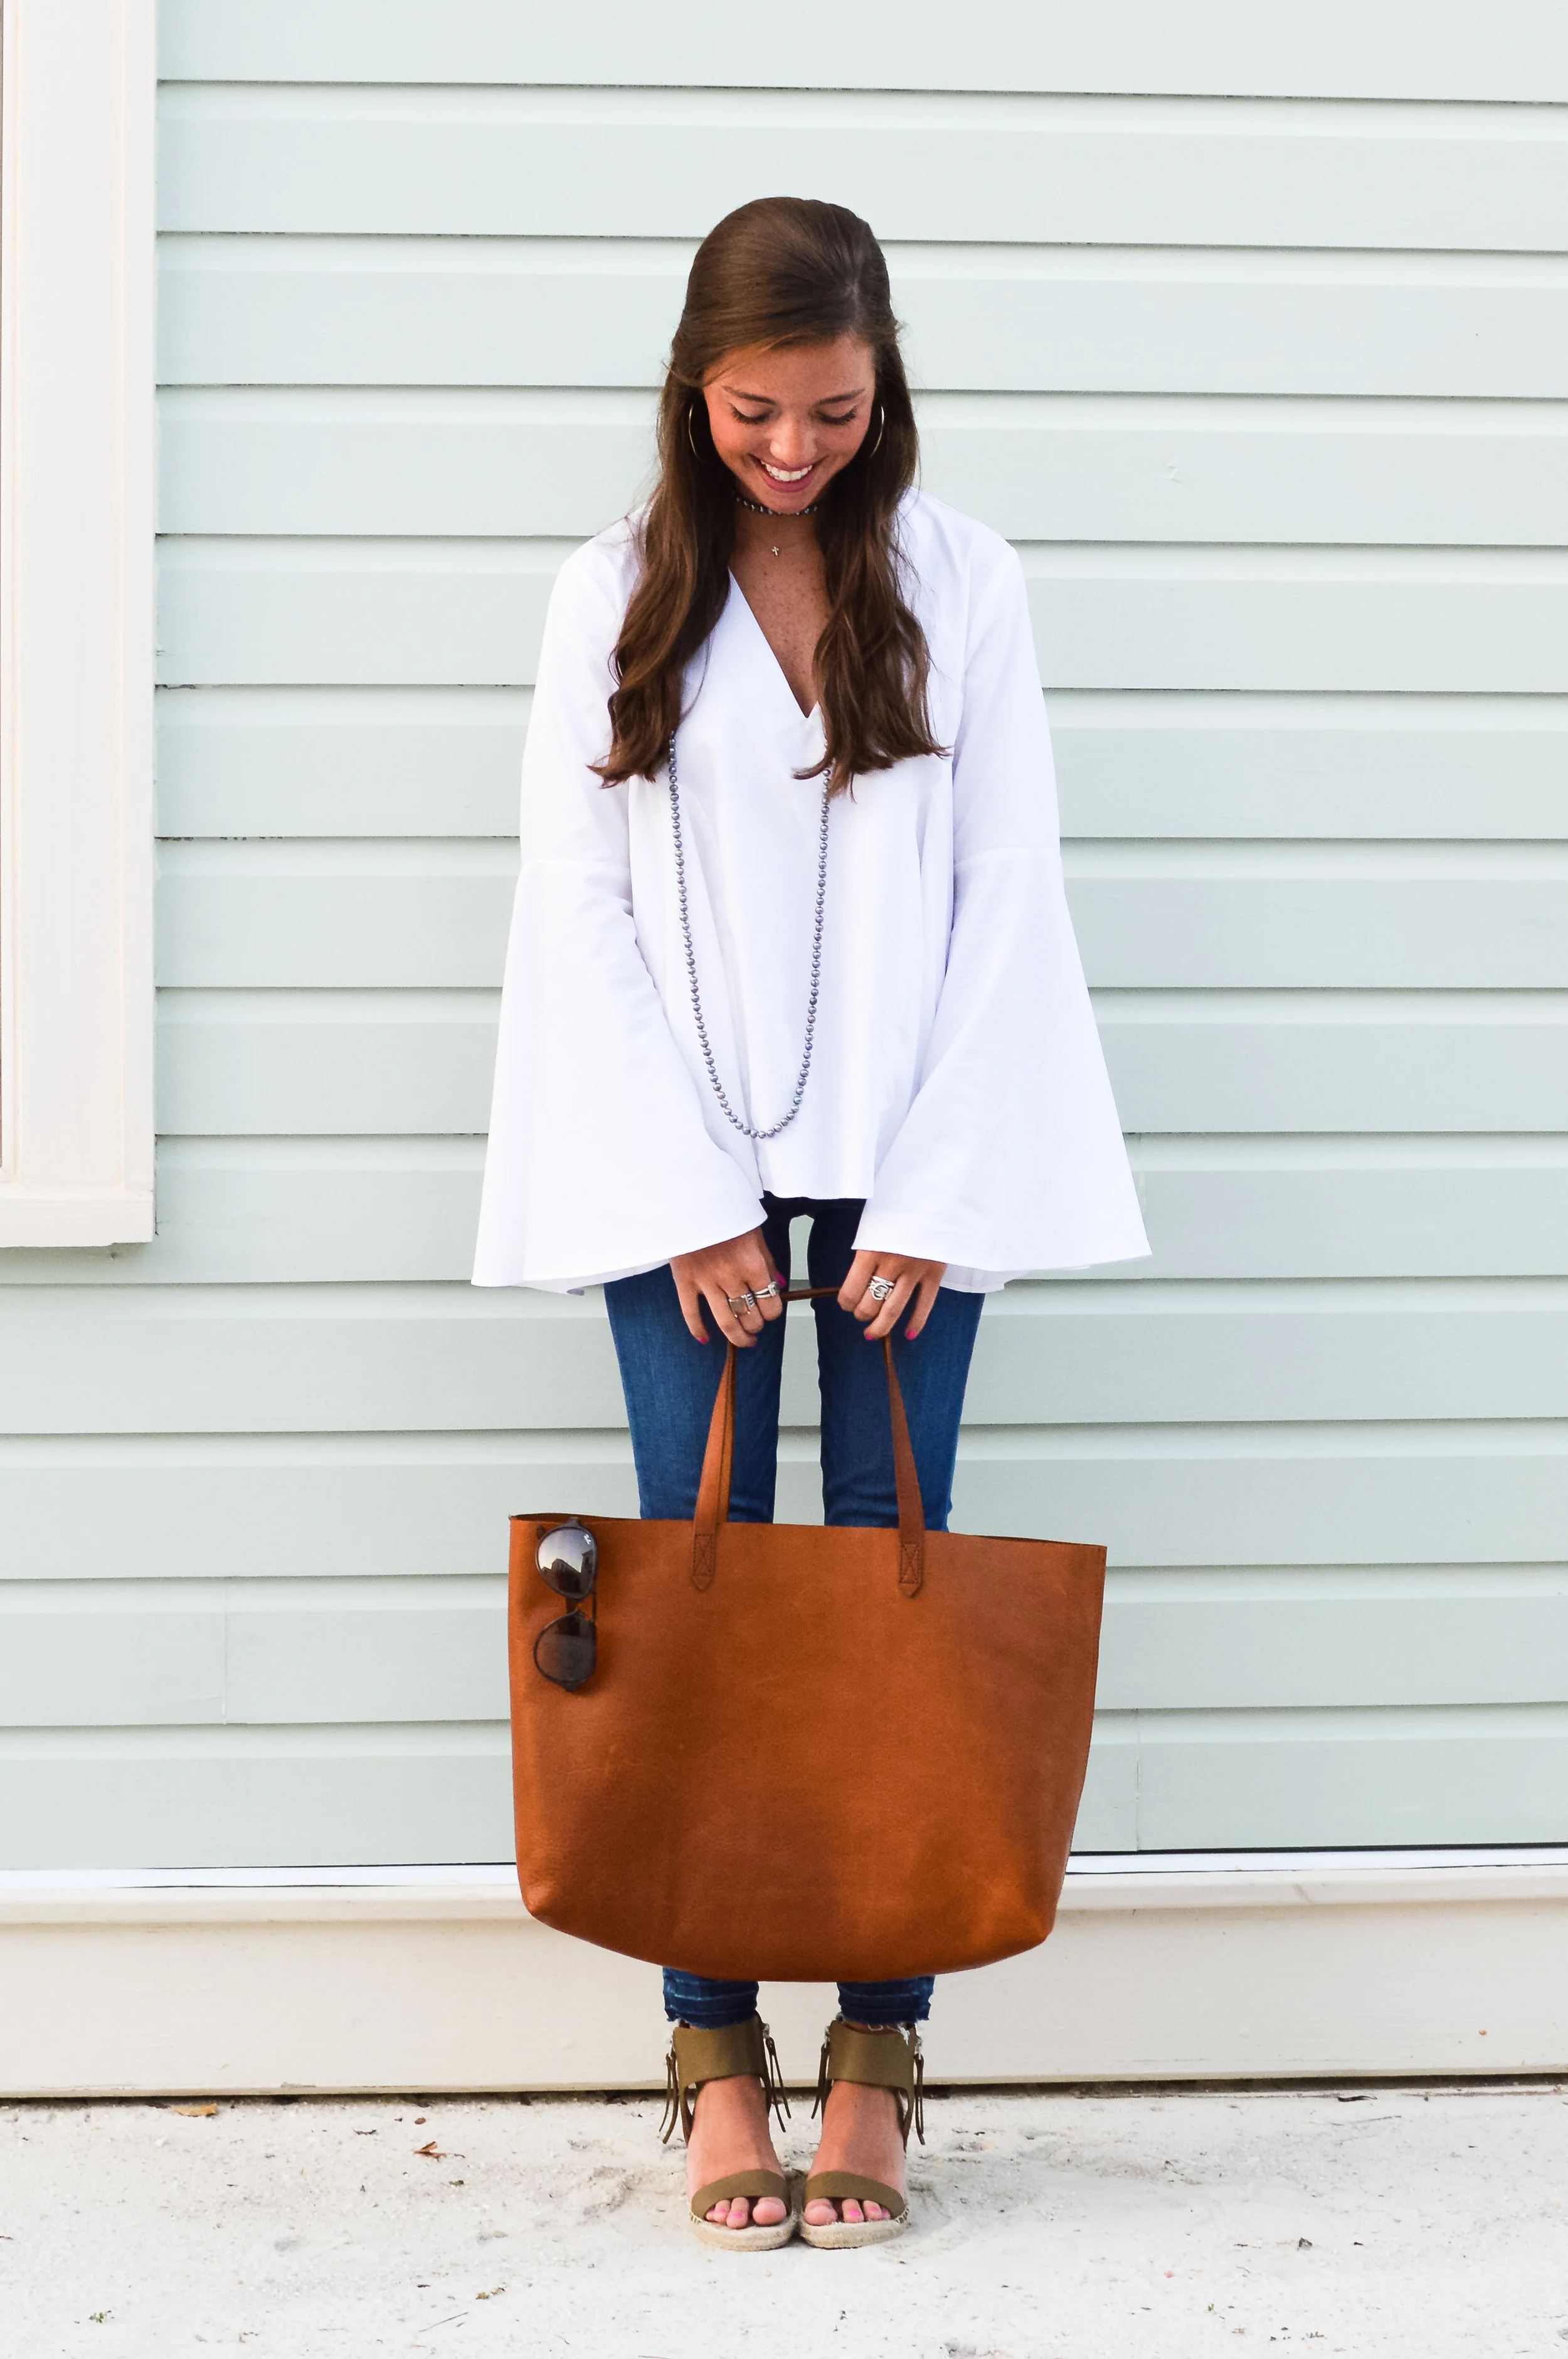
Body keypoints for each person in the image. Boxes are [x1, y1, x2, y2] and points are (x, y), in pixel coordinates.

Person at [474, 196, 1147, 2250]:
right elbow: (569, 905)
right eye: (758, 411)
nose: (793, 449)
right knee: (694, 1593)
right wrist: (683, 1201)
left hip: (903, 1173)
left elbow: (1004, 893)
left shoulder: (964, 582)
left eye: (834, 411)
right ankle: (708, 2056)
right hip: (674, 1180)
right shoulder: (613, 592)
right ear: (695, 388)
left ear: (885, 387)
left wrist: (935, 1199)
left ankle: (874, 2054)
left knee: (892, 1604)